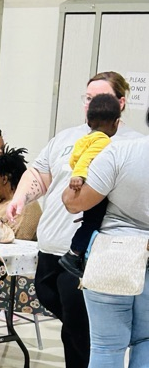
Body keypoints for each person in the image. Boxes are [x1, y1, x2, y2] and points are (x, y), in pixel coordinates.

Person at [7, 71, 142, 368]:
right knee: (54, 301)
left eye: (99, 98)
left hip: (88, 250)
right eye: (87, 98)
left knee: (78, 314)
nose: (90, 104)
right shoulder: (68, 137)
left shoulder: (129, 144)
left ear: (120, 102)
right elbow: (40, 173)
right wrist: (21, 198)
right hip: (51, 244)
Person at [62, 121, 149, 368]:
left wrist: (71, 187)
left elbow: (76, 202)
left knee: (107, 346)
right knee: (147, 342)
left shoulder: (121, 152)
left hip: (114, 252)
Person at [59, 93, 121, 278]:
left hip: (86, 186)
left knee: (88, 223)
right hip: (95, 189)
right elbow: (85, 159)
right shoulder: (104, 141)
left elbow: (74, 160)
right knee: (93, 224)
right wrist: (79, 175)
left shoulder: (84, 139)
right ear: (116, 123)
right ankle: (74, 254)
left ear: (88, 121)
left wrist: (77, 171)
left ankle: (76, 253)